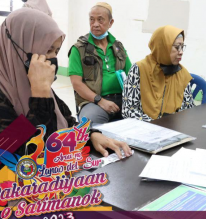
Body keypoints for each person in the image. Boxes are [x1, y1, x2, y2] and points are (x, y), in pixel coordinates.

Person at [0, 8, 132, 159]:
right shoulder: (14, 90)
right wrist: (40, 96)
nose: (52, 59)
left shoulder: (33, 84)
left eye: (55, 52)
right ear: (18, 47)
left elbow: (67, 122)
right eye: (47, 50)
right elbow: (15, 153)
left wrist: (91, 135)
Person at [68, 2, 132, 124]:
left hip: (123, 98)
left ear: (111, 23)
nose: (95, 24)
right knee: (89, 122)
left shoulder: (118, 47)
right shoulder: (79, 49)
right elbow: (76, 83)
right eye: (92, 20)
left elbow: (131, 74)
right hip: (94, 101)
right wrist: (100, 100)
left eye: (100, 20)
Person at [122, 25, 194, 121]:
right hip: (143, 128)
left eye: (182, 47)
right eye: (177, 47)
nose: (181, 52)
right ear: (163, 46)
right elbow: (128, 110)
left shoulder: (182, 73)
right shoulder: (139, 69)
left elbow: (189, 111)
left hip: (173, 129)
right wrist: (155, 125)